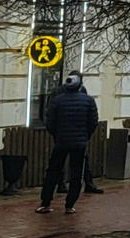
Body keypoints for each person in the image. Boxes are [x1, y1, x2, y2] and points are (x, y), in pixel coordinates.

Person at [36, 73, 97, 214]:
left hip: (61, 142)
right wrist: (85, 136)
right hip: (80, 144)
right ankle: (70, 205)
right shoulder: (88, 101)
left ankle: (45, 202)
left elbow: (50, 122)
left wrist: (57, 136)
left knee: (52, 171)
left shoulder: (57, 101)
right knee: (76, 174)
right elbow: (93, 122)